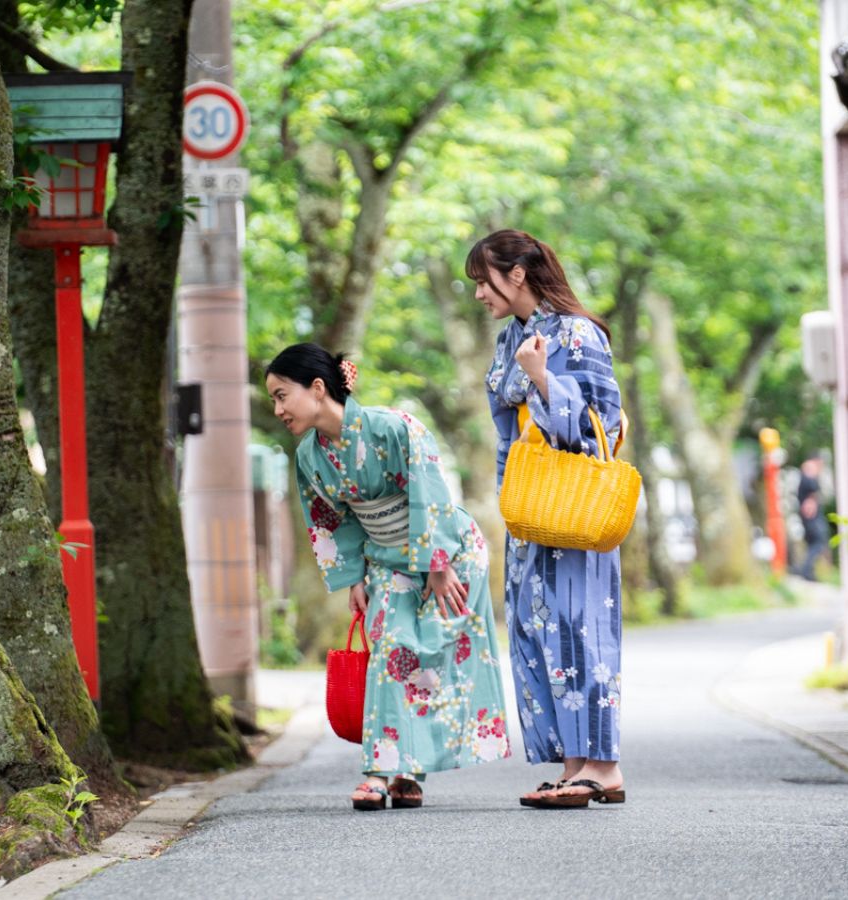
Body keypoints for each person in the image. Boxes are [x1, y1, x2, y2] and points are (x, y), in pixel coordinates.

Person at [266, 343, 509, 811]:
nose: (277, 409)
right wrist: (353, 577)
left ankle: (407, 771)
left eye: (281, 395)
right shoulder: (310, 456)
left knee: (435, 651)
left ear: (317, 389)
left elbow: (430, 487)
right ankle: (382, 770)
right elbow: (331, 520)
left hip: (448, 550)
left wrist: (438, 566)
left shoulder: (394, 428)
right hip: (385, 558)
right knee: (391, 651)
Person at [470, 229, 627, 809]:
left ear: (517, 274)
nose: (479, 295)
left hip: (575, 506)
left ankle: (603, 767)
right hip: (529, 506)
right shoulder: (510, 337)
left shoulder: (578, 334)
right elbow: (505, 428)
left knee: (581, 627)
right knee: (539, 632)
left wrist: (540, 379)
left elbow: (599, 426)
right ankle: (572, 766)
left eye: (483, 281)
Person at [795, 455, 829, 581]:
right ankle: (805, 570)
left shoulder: (806, 474)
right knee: (818, 542)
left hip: (809, 516)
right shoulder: (809, 472)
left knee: (813, 543)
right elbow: (812, 491)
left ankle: (807, 570)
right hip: (811, 517)